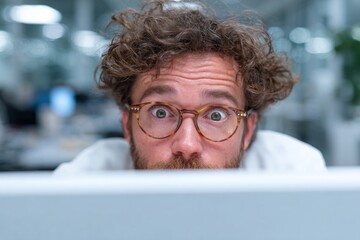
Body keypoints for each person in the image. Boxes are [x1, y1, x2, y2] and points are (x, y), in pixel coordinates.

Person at [54, 0, 325, 174]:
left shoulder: (292, 173)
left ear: (248, 131)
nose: (187, 145)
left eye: (216, 114)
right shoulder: (84, 182)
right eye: (160, 112)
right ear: (127, 126)